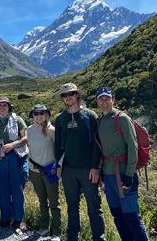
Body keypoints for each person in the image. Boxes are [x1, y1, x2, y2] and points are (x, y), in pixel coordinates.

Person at [96, 87, 149, 241]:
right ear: (97, 101)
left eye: (107, 98)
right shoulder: (100, 122)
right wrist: (102, 175)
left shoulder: (122, 118)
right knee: (117, 216)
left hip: (124, 174)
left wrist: (129, 175)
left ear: (113, 99)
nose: (104, 101)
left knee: (131, 216)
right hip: (109, 175)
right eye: (101, 99)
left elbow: (133, 147)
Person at [54, 83, 105, 241]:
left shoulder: (90, 116)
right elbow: (58, 145)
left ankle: (99, 237)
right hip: (68, 170)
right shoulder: (60, 118)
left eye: (71, 94)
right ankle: (72, 237)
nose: (68, 97)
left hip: (88, 169)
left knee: (94, 207)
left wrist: (95, 167)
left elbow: (96, 145)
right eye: (64, 95)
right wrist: (59, 165)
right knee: (72, 206)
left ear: (77, 95)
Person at [0, 96, 29, 230]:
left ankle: (19, 219)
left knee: (17, 189)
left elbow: (25, 137)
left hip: (16, 157)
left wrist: (13, 145)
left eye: (5, 105)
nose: (2, 107)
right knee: (2, 190)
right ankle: (5, 218)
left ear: (9, 107)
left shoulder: (18, 120)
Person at [27, 104, 61, 239]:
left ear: (47, 115)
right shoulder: (29, 130)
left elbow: (59, 150)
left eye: (42, 113)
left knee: (54, 202)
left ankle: (57, 231)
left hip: (50, 170)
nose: (39, 116)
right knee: (42, 200)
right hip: (34, 171)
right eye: (36, 114)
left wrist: (57, 167)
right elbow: (30, 148)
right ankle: (44, 227)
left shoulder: (52, 130)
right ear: (33, 116)